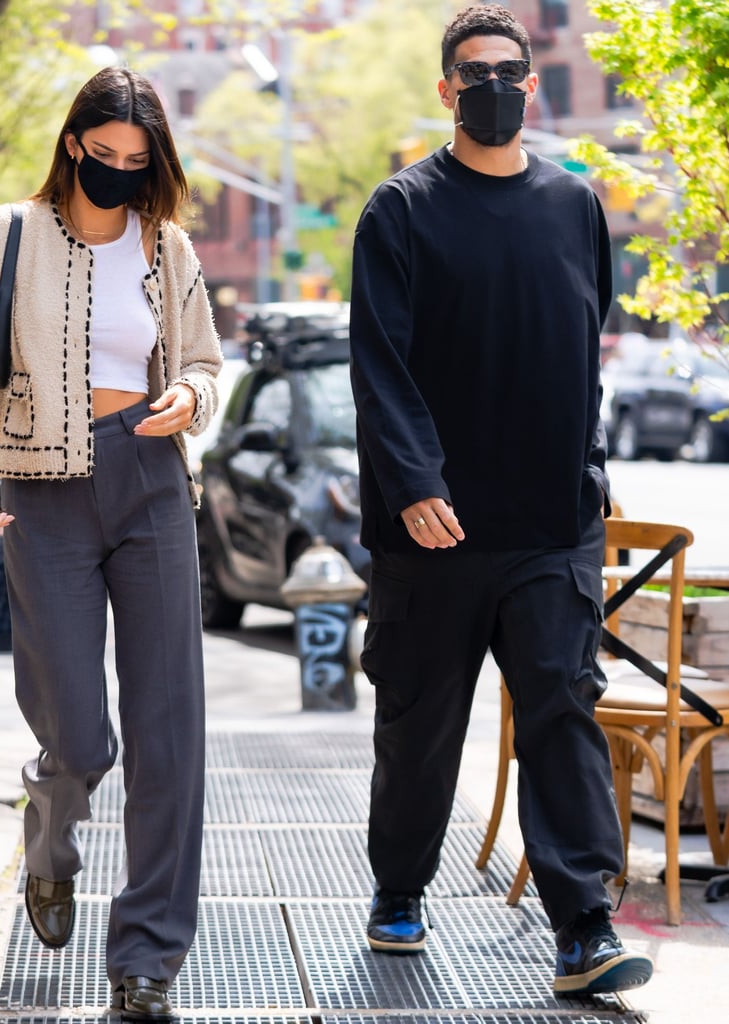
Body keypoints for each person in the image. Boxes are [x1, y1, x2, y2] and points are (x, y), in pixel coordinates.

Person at [348, 5, 653, 999]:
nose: (491, 85)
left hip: (549, 526)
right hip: (432, 530)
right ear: (444, 90)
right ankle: (398, 888)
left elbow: (583, 346)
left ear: (532, 86)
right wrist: (413, 483)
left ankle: (583, 925)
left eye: (507, 71)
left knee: (561, 711)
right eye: (471, 72)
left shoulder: (573, 207)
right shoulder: (397, 212)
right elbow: (379, 364)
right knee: (419, 722)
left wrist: (588, 473)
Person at [0, 67, 221, 1021]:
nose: (122, 175)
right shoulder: (5, 234)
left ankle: (146, 961)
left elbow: (208, 365)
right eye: (107, 158)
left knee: (169, 736)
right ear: (73, 146)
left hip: (147, 483)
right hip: (40, 494)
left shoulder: (166, 246)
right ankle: (50, 828)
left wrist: (189, 399)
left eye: (140, 164)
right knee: (78, 734)